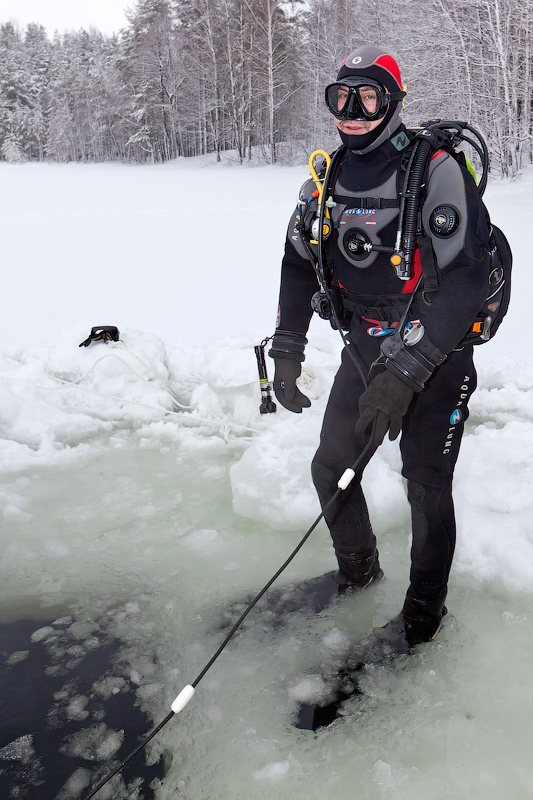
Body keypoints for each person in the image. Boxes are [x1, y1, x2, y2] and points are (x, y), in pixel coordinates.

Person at [269, 45, 490, 647]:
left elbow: (467, 279)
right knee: (330, 467)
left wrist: (407, 371)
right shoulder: (328, 176)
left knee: (425, 484)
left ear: (393, 101)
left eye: (369, 97)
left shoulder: (435, 168)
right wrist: (288, 347)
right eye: (341, 97)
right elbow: (297, 261)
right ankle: (358, 571)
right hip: (364, 345)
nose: (354, 111)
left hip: (435, 349)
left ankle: (423, 617)